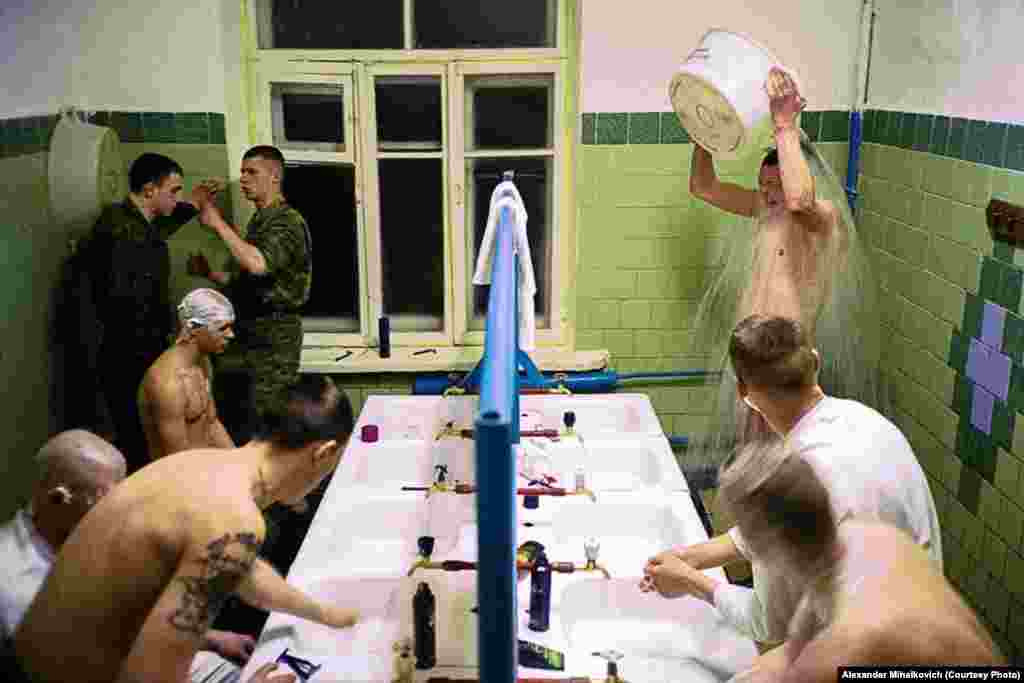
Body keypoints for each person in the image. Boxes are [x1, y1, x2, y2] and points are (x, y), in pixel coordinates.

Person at [12, 375, 359, 683]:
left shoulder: (197, 464)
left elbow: (247, 575)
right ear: (324, 453)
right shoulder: (235, 518)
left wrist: (322, 614)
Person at [641, 314, 941, 649]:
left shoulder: (793, 471)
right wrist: (696, 555)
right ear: (815, 362)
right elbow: (797, 525)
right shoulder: (872, 424)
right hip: (933, 633)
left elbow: (769, 624)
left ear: (744, 392)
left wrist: (690, 581)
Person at [689, 68, 881, 455]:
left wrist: (784, 124)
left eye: (776, 185)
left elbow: (799, 200)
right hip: (752, 358)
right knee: (752, 457)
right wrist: (702, 134)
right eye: (763, 185)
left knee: (783, 459)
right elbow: (703, 187)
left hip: (786, 363)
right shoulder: (765, 210)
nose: (768, 193)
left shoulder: (824, 221)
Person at [718, 442, 1002, 680]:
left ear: (761, 546)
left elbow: (815, 661)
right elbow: (798, 641)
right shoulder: (870, 536)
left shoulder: (840, 652)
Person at [0, 430, 255, 683]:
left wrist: (212, 639)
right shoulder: (18, 591)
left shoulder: (73, 534)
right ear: (58, 499)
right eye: (106, 503)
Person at [83, 152, 222, 473]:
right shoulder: (123, 235)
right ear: (149, 190)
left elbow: (162, 223)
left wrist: (193, 203)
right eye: (173, 191)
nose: (178, 198)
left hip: (133, 353)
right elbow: (126, 307)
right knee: (138, 441)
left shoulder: (130, 221)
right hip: (128, 357)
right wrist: (164, 354)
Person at [188, 145, 312, 444]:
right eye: (242, 172)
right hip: (253, 335)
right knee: (247, 422)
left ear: (274, 176)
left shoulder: (287, 221)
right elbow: (251, 280)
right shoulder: (261, 220)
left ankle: (282, 491)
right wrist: (211, 275)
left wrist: (216, 222)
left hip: (274, 339)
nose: (243, 179)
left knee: (269, 425)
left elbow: (258, 264)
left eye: (251, 172)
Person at [139, 288, 237, 461]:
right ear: (192, 328)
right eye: (223, 328)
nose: (231, 335)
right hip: (179, 477)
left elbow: (212, 423)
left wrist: (239, 463)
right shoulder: (167, 383)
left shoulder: (202, 363)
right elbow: (177, 461)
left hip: (205, 466)